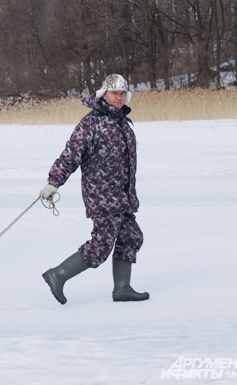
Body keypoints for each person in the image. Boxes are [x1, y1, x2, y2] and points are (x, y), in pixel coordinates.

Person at [39, 74, 149, 305]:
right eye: (114, 93)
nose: (118, 98)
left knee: (131, 237)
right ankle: (57, 275)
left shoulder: (122, 122)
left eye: (122, 94)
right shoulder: (91, 123)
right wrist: (53, 182)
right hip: (102, 196)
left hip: (123, 196)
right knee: (100, 246)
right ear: (104, 94)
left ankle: (122, 288)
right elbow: (71, 154)